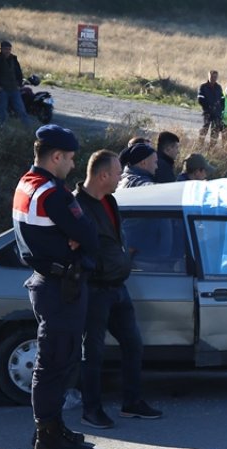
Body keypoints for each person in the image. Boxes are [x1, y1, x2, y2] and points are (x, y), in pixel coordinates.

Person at [12, 125, 97, 449]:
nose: (74, 166)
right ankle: (47, 439)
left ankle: (51, 428)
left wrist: (73, 236)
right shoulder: (53, 193)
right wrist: (77, 237)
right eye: (72, 159)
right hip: (62, 287)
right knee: (55, 364)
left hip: (48, 281)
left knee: (57, 361)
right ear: (56, 156)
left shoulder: (26, 183)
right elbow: (88, 234)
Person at [74, 150, 163, 429]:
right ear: (102, 176)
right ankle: (91, 410)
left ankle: (132, 403)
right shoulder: (76, 207)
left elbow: (116, 238)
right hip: (95, 289)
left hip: (118, 287)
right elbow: (74, 248)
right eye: (116, 174)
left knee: (133, 344)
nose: (120, 178)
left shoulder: (110, 201)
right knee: (94, 352)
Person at [0, 41, 29, 127]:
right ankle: (2, 129)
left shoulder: (14, 59)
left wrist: (19, 85)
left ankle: (28, 130)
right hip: (2, 90)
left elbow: (19, 73)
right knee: (3, 112)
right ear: (1, 49)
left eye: (9, 49)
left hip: (14, 89)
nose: (7, 51)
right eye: (5, 49)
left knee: (21, 110)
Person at [197, 70, 224, 146]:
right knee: (205, 129)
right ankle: (200, 145)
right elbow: (200, 99)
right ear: (209, 76)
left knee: (215, 131)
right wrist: (208, 107)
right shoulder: (203, 87)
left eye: (215, 77)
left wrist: (221, 109)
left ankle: (211, 148)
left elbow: (222, 99)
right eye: (212, 77)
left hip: (216, 113)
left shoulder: (218, 87)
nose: (213, 78)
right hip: (207, 112)